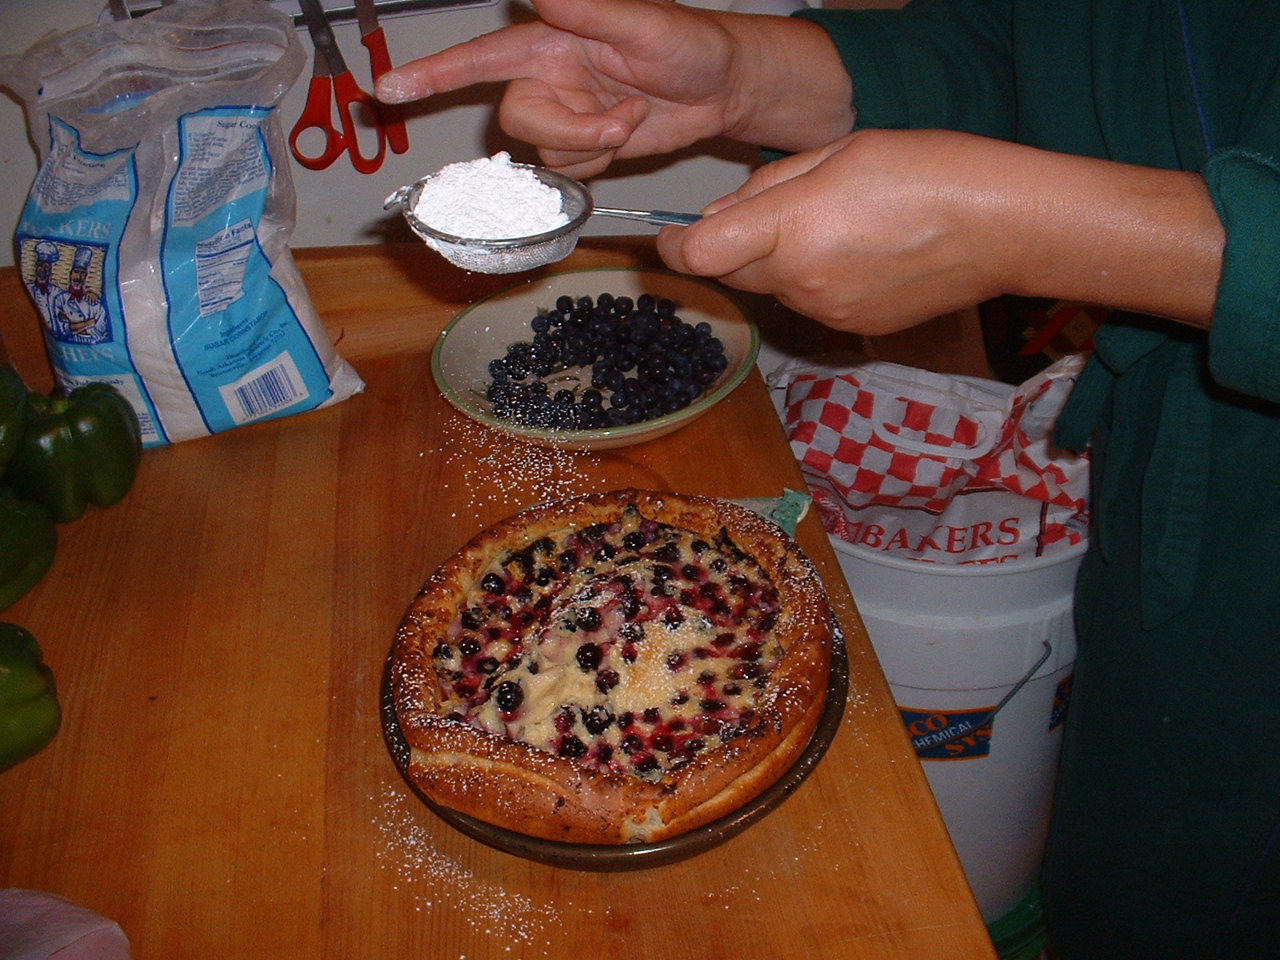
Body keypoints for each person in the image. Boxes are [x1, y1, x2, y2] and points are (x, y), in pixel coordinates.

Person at [376, 2, 1280, 958]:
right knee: (1124, 864)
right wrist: (754, 72)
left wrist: (1057, 235)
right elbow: (1070, 51)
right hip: (1173, 465)